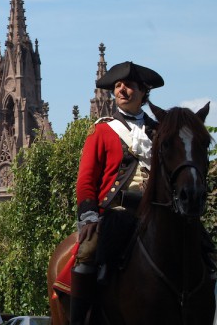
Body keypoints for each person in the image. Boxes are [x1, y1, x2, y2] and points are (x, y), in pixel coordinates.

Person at [70, 61, 164, 325]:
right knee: (87, 252)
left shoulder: (158, 132)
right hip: (116, 213)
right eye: (117, 86)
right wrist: (88, 215)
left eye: (128, 86)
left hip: (153, 212)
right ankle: (80, 319)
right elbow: (87, 178)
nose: (122, 90)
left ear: (143, 92)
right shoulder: (102, 130)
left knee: (202, 248)